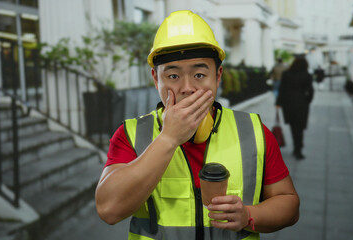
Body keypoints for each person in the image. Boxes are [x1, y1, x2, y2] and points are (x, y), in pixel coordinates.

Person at [95, 10, 300, 239]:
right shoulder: (130, 135)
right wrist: (168, 138)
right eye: (173, 76)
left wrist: (248, 215)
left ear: (218, 75)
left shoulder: (253, 131)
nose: (187, 88)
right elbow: (108, 210)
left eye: (200, 75)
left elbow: (289, 205)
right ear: (155, 78)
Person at [276, 56, 314, 160]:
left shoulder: (286, 74)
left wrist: (278, 103)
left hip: (288, 104)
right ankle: (298, 148)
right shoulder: (307, 76)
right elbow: (310, 91)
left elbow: (282, 89)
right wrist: (307, 101)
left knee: (293, 126)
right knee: (300, 127)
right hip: (302, 104)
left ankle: (296, 147)